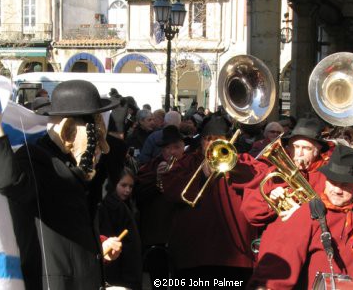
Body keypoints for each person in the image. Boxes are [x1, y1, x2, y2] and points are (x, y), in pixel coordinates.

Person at [0, 78, 123, 290]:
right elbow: (9, 181)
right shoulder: (38, 159)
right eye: (92, 123)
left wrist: (98, 246)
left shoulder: (73, 166)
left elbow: (72, 219)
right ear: (68, 128)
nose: (100, 141)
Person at [248, 145, 353, 290]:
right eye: (333, 182)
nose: (337, 189)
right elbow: (278, 268)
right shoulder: (307, 213)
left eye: (345, 184)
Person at [161, 116, 268, 286]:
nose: (212, 144)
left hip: (235, 257)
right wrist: (202, 175)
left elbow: (260, 177)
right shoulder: (187, 162)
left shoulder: (241, 161)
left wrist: (234, 165)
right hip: (193, 255)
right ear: (201, 141)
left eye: (219, 140)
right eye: (207, 139)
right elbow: (170, 191)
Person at [241, 118, 330, 227]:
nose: (300, 153)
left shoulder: (327, 176)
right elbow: (250, 212)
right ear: (289, 148)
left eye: (306, 148)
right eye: (296, 147)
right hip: (280, 232)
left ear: (317, 151)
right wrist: (272, 201)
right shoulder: (277, 171)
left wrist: (302, 212)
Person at [135, 125, 185, 289]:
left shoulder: (191, 166)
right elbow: (139, 197)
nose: (172, 152)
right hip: (157, 235)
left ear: (183, 147)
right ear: (161, 151)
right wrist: (157, 179)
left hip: (181, 234)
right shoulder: (149, 168)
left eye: (176, 147)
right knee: (160, 281)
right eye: (167, 148)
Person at [98, 167, 142, 290]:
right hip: (118, 270)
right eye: (123, 185)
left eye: (130, 186)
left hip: (125, 269)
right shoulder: (111, 206)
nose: (127, 190)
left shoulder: (126, 205)